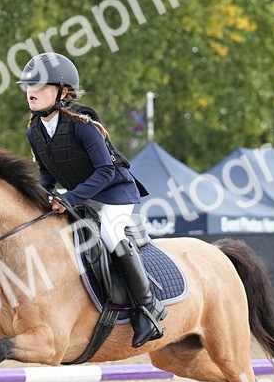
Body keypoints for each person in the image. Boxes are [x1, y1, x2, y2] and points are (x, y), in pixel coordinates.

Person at [18, 52, 166, 348]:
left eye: (39, 86)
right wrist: (36, 194)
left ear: (63, 91)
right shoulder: (34, 131)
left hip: (114, 194)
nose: (31, 92)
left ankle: (147, 308)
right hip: (80, 197)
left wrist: (69, 197)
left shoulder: (84, 126)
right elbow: (47, 174)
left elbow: (106, 170)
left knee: (111, 234)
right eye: (28, 87)